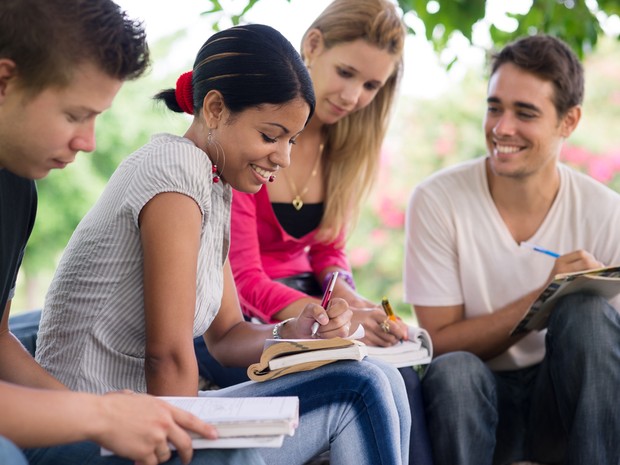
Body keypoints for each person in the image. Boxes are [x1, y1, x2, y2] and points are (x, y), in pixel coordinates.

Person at [35, 23, 411, 465]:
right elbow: (168, 356)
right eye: (270, 136)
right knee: (359, 389)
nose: (284, 157)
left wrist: (293, 332)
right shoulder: (174, 173)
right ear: (214, 109)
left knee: (380, 379)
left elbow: (228, 336)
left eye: (291, 140)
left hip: (147, 415)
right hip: (88, 433)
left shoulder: (215, 186)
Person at [0, 1, 264, 464]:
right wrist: (95, 417)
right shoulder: (174, 169)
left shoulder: (17, 186)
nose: (89, 142)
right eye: (74, 115)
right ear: (4, 82)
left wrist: (91, 414)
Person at [193, 2, 433, 463]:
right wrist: (329, 319)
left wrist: (351, 300)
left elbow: (328, 251)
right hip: (242, 314)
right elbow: (242, 278)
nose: (353, 96)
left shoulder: (347, 145)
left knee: (402, 371)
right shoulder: (253, 139)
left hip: (306, 300)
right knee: (371, 376)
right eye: (346, 73)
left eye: (370, 86)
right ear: (313, 44)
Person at [404, 34, 620, 465]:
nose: (502, 128)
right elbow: (440, 345)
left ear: (569, 121)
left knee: (590, 316)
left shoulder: (606, 211)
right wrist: (546, 295)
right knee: (456, 370)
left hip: (560, 407)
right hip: (474, 401)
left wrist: (569, 299)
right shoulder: (437, 200)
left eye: (525, 113)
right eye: (494, 107)